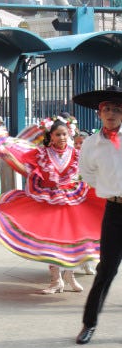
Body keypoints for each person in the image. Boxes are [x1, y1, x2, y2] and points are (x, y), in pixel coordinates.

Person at [0, 116, 105, 295]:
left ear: (70, 134)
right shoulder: (41, 154)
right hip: (47, 200)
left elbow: (90, 171)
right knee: (52, 241)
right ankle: (55, 280)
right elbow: (25, 169)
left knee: (70, 239)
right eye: (58, 134)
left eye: (65, 134)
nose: (62, 138)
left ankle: (69, 275)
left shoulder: (76, 154)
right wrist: (7, 155)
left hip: (71, 200)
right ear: (50, 136)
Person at [72, 86, 122, 345]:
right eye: (106, 109)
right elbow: (88, 173)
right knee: (106, 270)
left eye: (116, 109)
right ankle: (88, 325)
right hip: (114, 211)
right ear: (99, 113)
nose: (111, 113)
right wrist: (109, 189)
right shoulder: (91, 143)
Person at [73, 130, 96, 276]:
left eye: (81, 143)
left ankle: (87, 263)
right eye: (76, 143)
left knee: (89, 234)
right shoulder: (70, 157)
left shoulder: (94, 157)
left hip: (90, 199)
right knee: (77, 234)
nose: (78, 146)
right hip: (74, 200)